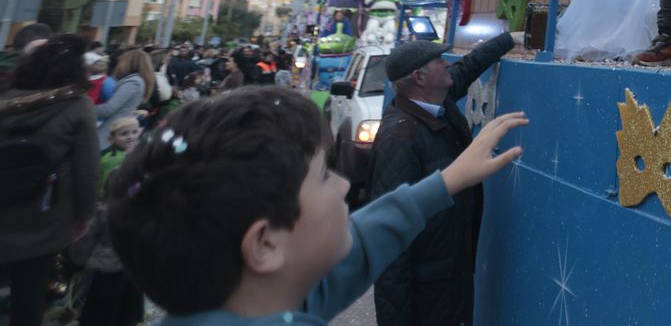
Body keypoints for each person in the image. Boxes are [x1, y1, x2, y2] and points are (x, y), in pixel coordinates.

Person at [103, 87, 525, 326]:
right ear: (265, 245)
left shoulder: (247, 299)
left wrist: (447, 181)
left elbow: (353, 250)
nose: (343, 185)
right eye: (323, 176)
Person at [370, 33, 516, 326]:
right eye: (439, 61)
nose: (447, 65)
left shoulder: (438, 103)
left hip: (450, 280)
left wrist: (510, 39)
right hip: (427, 293)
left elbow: (468, 67)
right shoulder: (400, 139)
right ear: (419, 78)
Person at [0, 34, 100, 326]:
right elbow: (87, 169)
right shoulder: (78, 105)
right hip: (44, 214)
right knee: (30, 294)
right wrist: (84, 215)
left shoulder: (6, 98)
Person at [71, 116, 144, 326]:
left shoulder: (136, 154)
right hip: (122, 263)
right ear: (112, 137)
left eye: (133, 132)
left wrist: (78, 257)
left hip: (112, 264)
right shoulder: (109, 159)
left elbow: (87, 238)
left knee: (106, 300)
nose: (130, 137)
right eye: (124, 134)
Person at [97, 48, 153, 149]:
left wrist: (86, 108)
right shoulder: (135, 81)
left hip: (110, 130)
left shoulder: (133, 82)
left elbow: (109, 109)